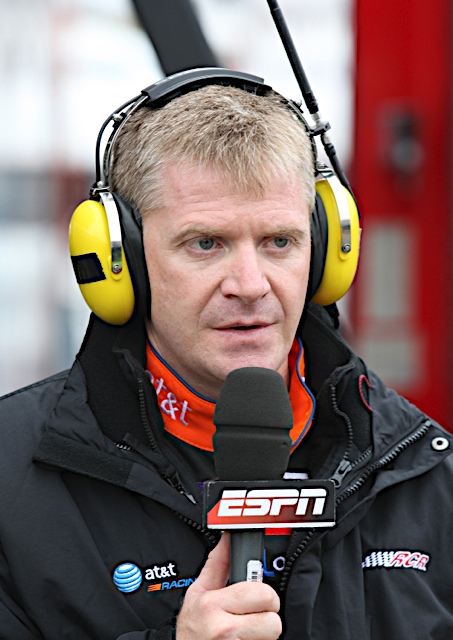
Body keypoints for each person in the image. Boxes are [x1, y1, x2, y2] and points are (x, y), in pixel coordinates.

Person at [0, 69, 452, 640]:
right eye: (206, 243)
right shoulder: (11, 481)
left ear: (324, 256)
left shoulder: (422, 472)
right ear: (123, 262)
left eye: (279, 242)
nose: (250, 284)